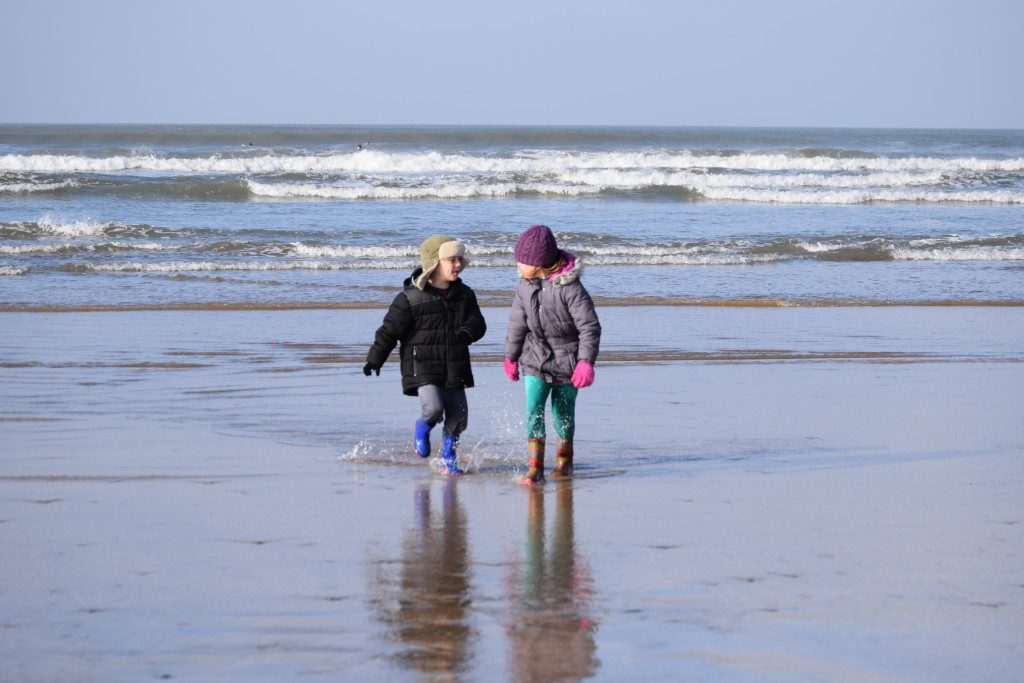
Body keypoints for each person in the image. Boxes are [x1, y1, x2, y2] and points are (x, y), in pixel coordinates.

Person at [364, 234, 486, 474]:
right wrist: (375, 358)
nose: (458, 264)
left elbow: (478, 322)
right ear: (434, 262)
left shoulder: (465, 294)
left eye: (460, 259)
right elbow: (389, 331)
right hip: (422, 363)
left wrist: (468, 331)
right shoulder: (409, 298)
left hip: (455, 363)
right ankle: (422, 427)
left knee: (459, 418)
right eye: (451, 259)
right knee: (433, 409)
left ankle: (449, 458)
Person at [503, 225, 601, 485]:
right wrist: (511, 356)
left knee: (563, 413)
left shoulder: (571, 288)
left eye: (522, 259)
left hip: (568, 360)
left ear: (538, 262)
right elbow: (517, 323)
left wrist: (585, 362)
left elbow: (589, 327)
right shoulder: (524, 285)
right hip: (535, 357)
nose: (518, 264)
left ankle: (564, 464)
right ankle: (535, 469)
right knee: (534, 409)